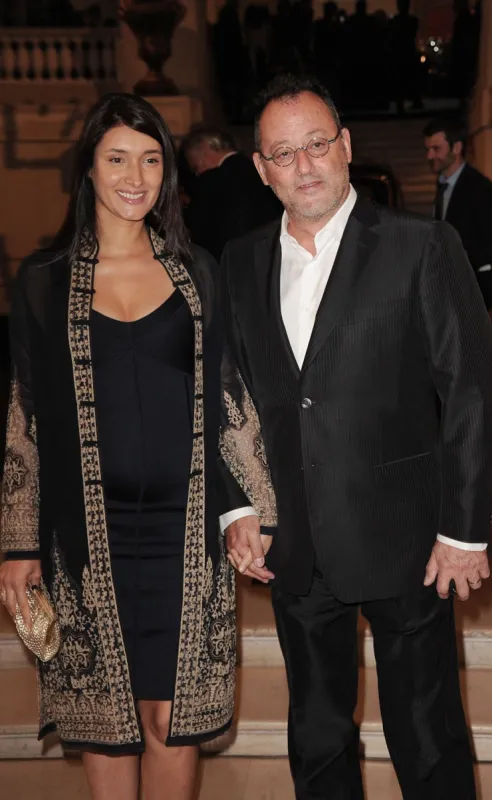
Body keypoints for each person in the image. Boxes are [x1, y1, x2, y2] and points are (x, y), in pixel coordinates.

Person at [221, 74, 492, 799]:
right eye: (283, 154)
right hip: (297, 544)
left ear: (345, 146)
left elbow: (472, 385)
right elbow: (230, 395)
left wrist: (464, 531)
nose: (305, 165)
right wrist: (239, 507)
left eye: (318, 144)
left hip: (410, 542)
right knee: (317, 733)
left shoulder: (422, 244)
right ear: (261, 169)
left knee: (426, 729)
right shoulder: (241, 261)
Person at [0, 93, 257, 800]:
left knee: (172, 719)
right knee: (109, 721)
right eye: (117, 158)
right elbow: (24, 416)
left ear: (169, 173)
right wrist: (18, 544)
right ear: (87, 168)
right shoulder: (44, 283)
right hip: (85, 536)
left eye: (151, 160)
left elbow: (230, 398)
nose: (135, 176)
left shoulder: (197, 273)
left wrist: (252, 514)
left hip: (185, 535)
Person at [424, 114, 492, 310]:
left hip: (473, 289)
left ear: (456, 148)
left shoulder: (479, 188)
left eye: (436, 149)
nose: (429, 156)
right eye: (428, 149)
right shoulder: (442, 185)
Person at [181, 126, 282, 261]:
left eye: (196, 166)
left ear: (205, 151)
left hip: (229, 263)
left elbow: (200, 236)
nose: (198, 172)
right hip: (270, 257)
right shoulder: (262, 170)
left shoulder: (211, 181)